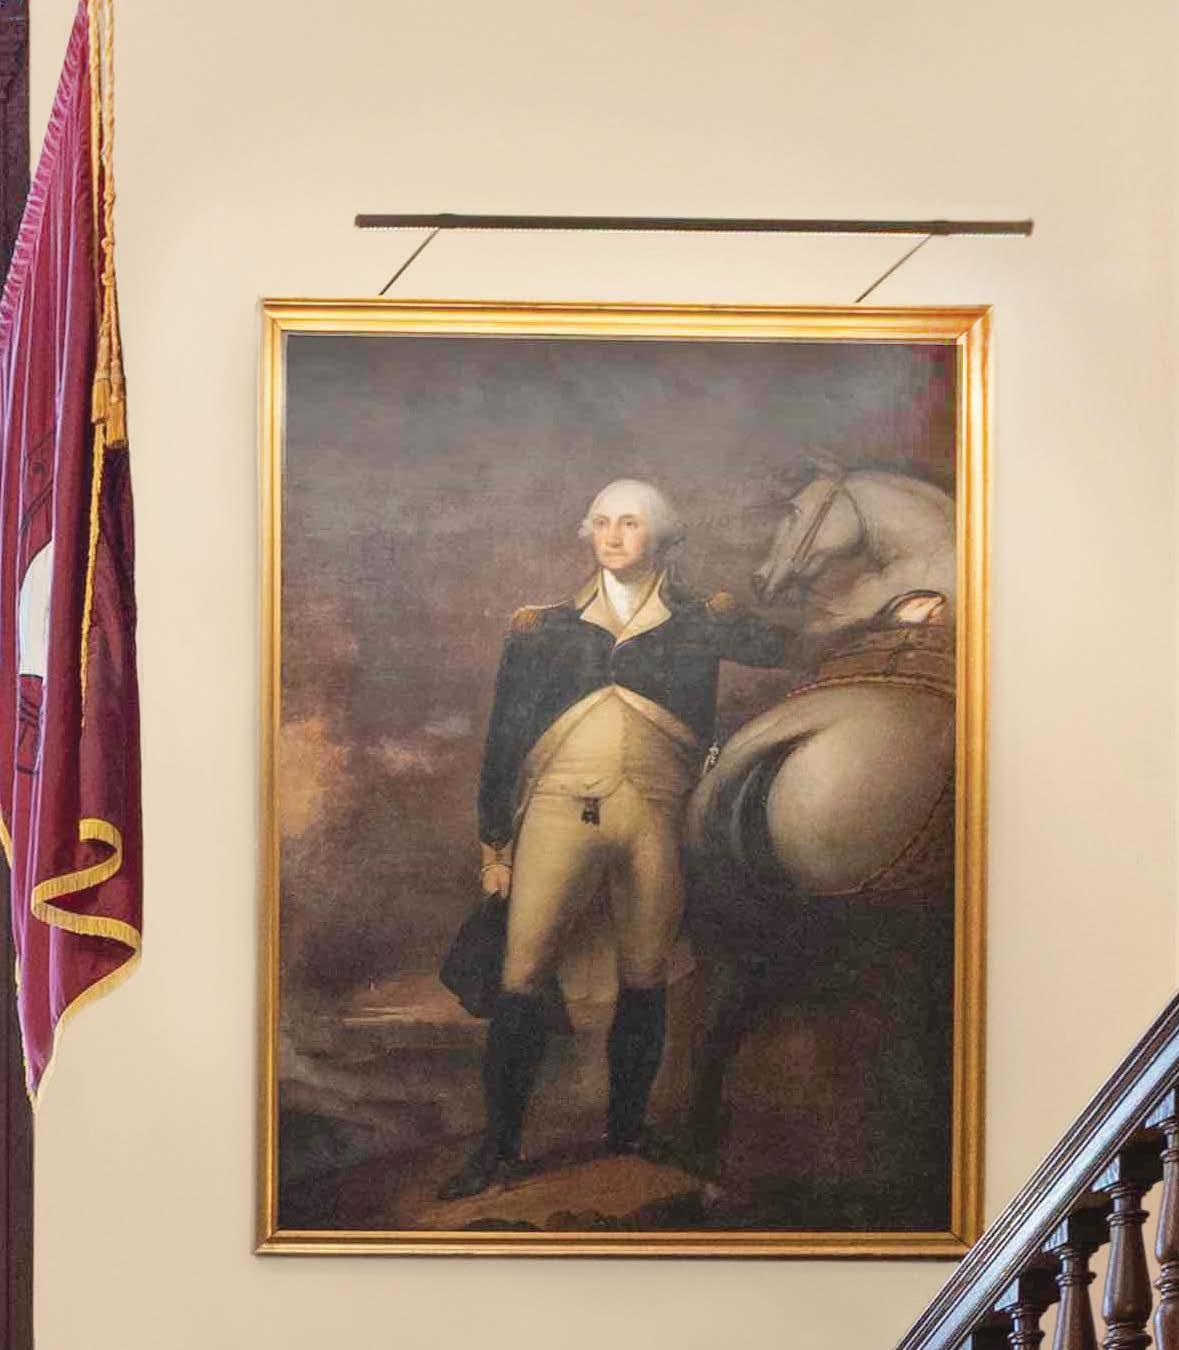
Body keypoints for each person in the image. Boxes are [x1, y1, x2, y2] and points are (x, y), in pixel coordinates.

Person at [439, 478, 792, 1200]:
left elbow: (789, 648)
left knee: (645, 972)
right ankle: (499, 1149)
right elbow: (503, 741)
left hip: (656, 817)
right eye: (601, 522)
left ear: (658, 535)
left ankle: (626, 1133)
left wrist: (894, 616)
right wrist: (495, 846)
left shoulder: (700, 620)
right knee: (521, 973)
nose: (612, 536)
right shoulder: (543, 628)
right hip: (558, 813)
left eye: (629, 523)